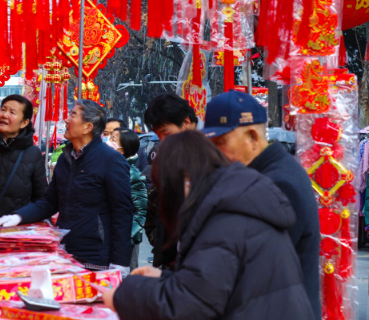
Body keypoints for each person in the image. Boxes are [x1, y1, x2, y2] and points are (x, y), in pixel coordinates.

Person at [105, 131, 314, 320]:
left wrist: (125, 294)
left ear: (184, 178)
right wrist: (164, 278)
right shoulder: (231, 198)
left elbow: (189, 305)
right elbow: (214, 282)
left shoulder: (224, 215)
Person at [203, 90, 320, 318]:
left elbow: (245, 270)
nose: (216, 154)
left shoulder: (277, 184)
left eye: (221, 143)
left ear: (253, 137)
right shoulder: (267, 174)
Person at [0, 100, 133, 273]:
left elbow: (122, 212)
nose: (66, 120)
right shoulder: (66, 159)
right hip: (66, 252)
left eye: (73, 115)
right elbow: (50, 202)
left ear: (87, 127)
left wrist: (120, 262)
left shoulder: (111, 160)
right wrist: (18, 217)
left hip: (97, 256)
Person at [143, 93, 199, 269]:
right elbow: (152, 212)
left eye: (166, 133)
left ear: (186, 122)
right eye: (159, 136)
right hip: (170, 263)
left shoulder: (212, 157)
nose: (163, 141)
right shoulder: (167, 157)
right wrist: (160, 243)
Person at [109, 128, 148, 271]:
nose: (108, 141)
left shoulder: (133, 175)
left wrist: (126, 237)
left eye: (113, 139)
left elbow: (141, 212)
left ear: (124, 147)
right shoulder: (108, 167)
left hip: (125, 241)